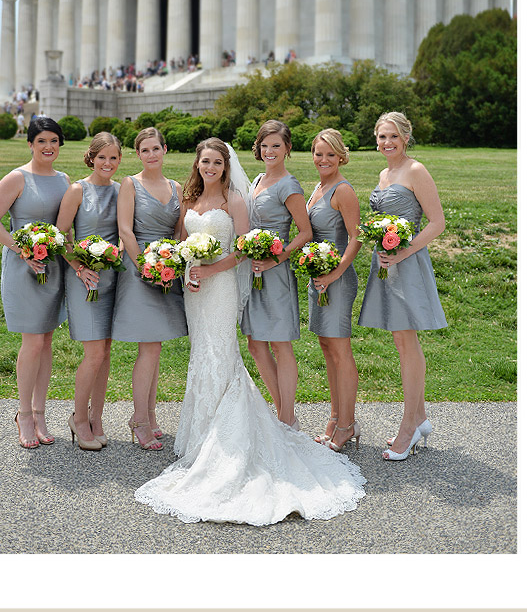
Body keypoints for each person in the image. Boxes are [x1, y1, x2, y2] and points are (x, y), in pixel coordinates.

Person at [134, 138, 366, 524]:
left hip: (221, 288)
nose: (211, 168)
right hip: (194, 288)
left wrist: (210, 269)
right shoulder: (189, 199)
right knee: (201, 353)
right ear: (197, 164)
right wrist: (180, 266)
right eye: (205, 161)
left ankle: (234, 432)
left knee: (222, 350)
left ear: (226, 166)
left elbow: (241, 248)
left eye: (217, 162)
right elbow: (181, 242)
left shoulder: (235, 200)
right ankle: (200, 432)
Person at [357, 112, 447, 461]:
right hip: (385, 262)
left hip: (407, 263)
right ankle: (420, 418)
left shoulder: (416, 170)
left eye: (393, 136)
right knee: (400, 340)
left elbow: (437, 222)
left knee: (407, 341)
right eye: (382, 136)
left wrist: (404, 252)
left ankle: (409, 426)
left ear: (405, 138)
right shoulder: (384, 174)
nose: (387, 142)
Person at [0, 116, 69, 449]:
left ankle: (40, 412)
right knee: (32, 343)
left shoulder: (64, 180)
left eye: (54, 141)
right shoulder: (16, 178)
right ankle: (24, 414)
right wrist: (22, 250)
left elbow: (65, 227)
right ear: (30, 144)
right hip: (24, 268)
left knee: (46, 342)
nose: (48, 147)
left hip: (53, 267)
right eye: (41, 141)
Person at [112, 127, 187, 450]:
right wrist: (146, 267)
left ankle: (150, 416)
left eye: (156, 148)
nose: (151, 155)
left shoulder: (177, 187)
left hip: (168, 270)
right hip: (139, 269)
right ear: (138, 154)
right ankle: (139, 419)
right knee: (149, 348)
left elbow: (180, 232)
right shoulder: (130, 184)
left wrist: (172, 265)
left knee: (155, 348)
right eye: (145, 150)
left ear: (165, 150)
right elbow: (125, 230)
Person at [241, 120, 312, 428]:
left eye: (276, 146)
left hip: (276, 273)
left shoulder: (289, 185)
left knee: (280, 344)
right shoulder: (258, 179)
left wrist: (276, 259)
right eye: (265, 145)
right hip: (252, 272)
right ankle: (285, 415)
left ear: (287, 149)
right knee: (255, 344)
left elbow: (305, 232)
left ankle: (286, 417)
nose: (269, 151)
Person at [56, 132, 122, 451]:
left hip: (111, 277)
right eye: (102, 157)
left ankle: (97, 418)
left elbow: (126, 230)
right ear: (91, 158)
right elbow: (61, 235)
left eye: (114, 157)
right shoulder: (77, 190)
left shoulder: (122, 190)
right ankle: (79, 418)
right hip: (84, 278)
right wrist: (79, 268)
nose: (108, 163)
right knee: (93, 353)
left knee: (105, 352)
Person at [305, 129, 363, 451]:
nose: (323, 159)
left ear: (341, 156)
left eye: (330, 154)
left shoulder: (343, 190)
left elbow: (356, 237)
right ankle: (336, 417)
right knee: (327, 347)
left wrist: (335, 273)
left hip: (337, 280)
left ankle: (347, 425)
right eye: (318, 153)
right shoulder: (318, 187)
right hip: (319, 279)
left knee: (341, 352)